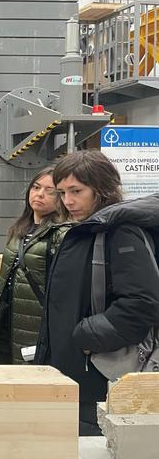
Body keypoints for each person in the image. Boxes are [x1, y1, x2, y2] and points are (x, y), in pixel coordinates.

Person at [34, 150, 159, 436]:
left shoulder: (120, 232)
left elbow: (142, 303)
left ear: (102, 189)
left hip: (99, 373)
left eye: (76, 191)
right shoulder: (88, 229)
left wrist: (86, 336)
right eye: (62, 192)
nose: (68, 201)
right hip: (77, 369)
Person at [0, 167, 69, 364]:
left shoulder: (61, 233)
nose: (40, 194)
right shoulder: (19, 229)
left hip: (36, 321)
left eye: (49, 191)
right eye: (36, 187)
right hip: (6, 317)